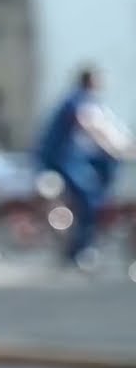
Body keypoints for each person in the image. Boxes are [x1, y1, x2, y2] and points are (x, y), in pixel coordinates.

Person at [36, 67, 133, 268]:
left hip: (71, 157)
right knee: (89, 198)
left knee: (99, 175)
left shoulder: (86, 101)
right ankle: (79, 249)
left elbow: (106, 127)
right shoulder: (77, 100)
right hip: (58, 159)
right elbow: (93, 128)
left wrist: (123, 145)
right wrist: (116, 148)